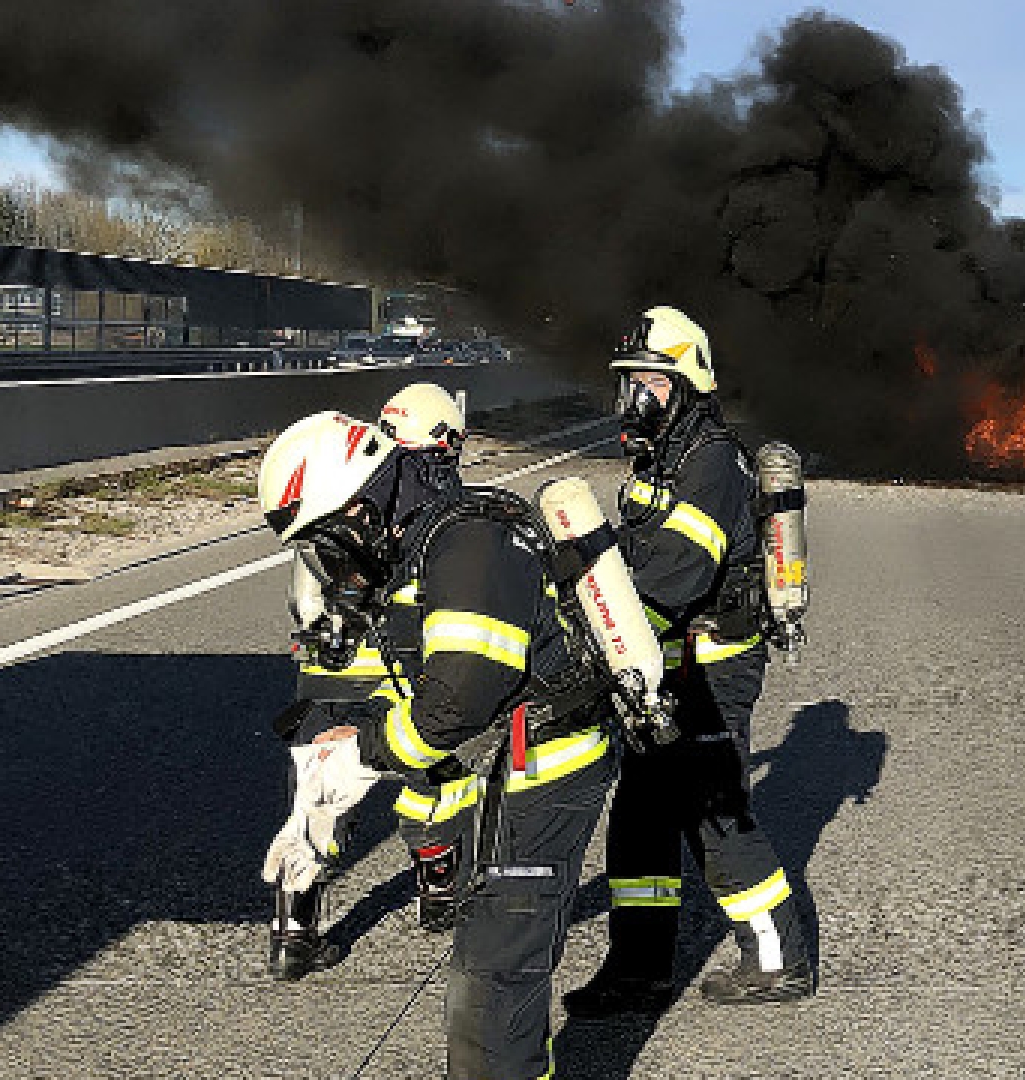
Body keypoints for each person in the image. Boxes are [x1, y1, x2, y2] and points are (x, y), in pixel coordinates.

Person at [257, 408, 627, 1078]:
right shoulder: (427, 545)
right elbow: (431, 680)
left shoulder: (468, 548)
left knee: (493, 989)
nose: (326, 564)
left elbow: (458, 697)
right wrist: (354, 739)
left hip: (546, 774)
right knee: (491, 978)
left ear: (362, 510)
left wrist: (365, 756)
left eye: (325, 542)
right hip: (516, 769)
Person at [563, 305, 815, 1014]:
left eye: (650, 378)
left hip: (712, 668)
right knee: (641, 813)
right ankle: (639, 969)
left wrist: (591, 632)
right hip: (667, 667)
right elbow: (634, 549)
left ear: (685, 383)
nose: (635, 392)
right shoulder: (663, 455)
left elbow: (674, 573)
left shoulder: (710, 464)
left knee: (716, 815)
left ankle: (778, 959)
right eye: (631, 379)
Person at [266, 384, 472, 980]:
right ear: (445, 440)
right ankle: (437, 886)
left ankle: (293, 932)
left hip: (328, 675)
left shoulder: (341, 490)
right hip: (399, 672)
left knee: (318, 795)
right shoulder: (435, 499)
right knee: (435, 769)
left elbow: (302, 598)